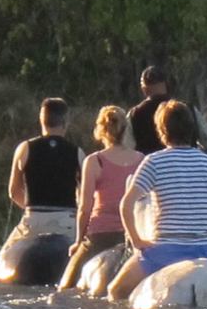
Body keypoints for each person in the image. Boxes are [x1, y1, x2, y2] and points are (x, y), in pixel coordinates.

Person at [107, 100, 207, 303]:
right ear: (191, 129)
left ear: (162, 130)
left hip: (165, 251)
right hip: (205, 250)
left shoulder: (153, 162)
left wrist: (137, 240)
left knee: (115, 291)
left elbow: (126, 206)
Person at [57, 105, 144, 290]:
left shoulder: (94, 161)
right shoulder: (141, 160)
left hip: (100, 236)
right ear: (125, 129)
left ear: (101, 130)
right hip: (131, 234)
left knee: (65, 288)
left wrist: (79, 241)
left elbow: (85, 208)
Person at [3, 97, 84, 247]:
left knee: (5, 256)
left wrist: (31, 208)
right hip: (67, 222)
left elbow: (13, 192)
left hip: (34, 221)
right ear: (65, 122)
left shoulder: (24, 148)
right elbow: (86, 194)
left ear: (41, 120)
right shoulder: (77, 153)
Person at [127, 66, 170, 155]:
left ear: (144, 88)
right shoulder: (188, 108)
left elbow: (127, 147)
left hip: (149, 167)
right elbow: (206, 139)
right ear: (165, 84)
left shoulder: (135, 114)